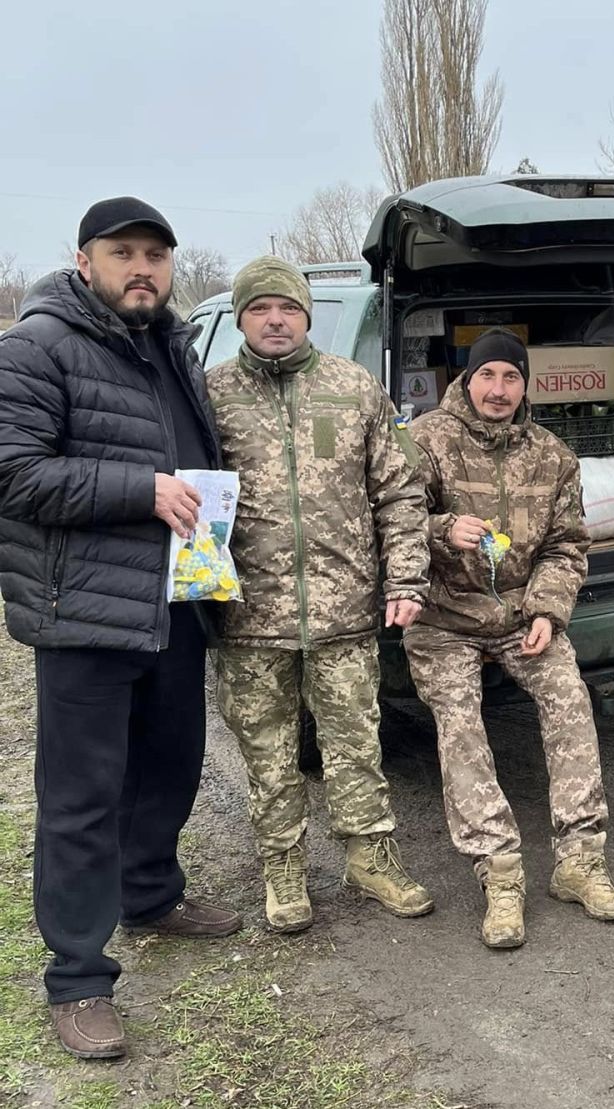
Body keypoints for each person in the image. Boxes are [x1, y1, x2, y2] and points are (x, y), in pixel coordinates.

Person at [0, 197, 241, 1060]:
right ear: (83, 259)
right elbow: (16, 473)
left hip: (174, 600)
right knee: (81, 798)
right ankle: (76, 978)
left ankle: (150, 894)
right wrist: (140, 489)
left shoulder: (172, 343)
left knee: (170, 761)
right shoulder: (35, 346)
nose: (142, 268)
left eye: (156, 255)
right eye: (123, 252)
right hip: (84, 613)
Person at [207, 257, 433, 931]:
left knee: (356, 746)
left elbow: (398, 490)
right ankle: (284, 871)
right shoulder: (211, 394)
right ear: (243, 317)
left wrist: (406, 576)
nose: (275, 319)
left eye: (288, 308)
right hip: (249, 616)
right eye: (260, 308)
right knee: (269, 757)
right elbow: (188, 498)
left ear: (307, 316)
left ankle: (370, 858)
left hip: (343, 612)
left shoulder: (353, 387)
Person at [404, 328, 614, 950]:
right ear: (467, 380)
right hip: (444, 618)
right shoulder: (426, 440)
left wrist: (547, 612)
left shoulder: (553, 455)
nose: (498, 390)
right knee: (460, 720)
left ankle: (579, 861)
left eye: (511, 378)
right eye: (487, 376)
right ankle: (500, 871)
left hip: (519, 614)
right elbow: (390, 519)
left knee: (569, 699)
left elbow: (566, 544)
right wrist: (442, 528)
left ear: (525, 385)